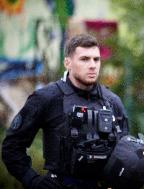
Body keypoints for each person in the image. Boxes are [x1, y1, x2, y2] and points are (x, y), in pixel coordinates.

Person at [2, 34, 129, 189]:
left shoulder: (112, 102)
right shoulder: (47, 98)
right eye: (84, 59)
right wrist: (33, 181)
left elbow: (124, 154)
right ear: (68, 63)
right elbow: (11, 147)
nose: (92, 65)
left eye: (96, 59)